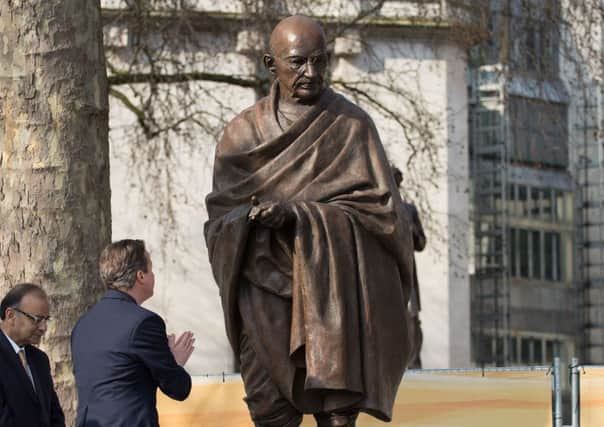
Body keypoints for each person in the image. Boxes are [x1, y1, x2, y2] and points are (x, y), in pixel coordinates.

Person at [205, 15, 415, 427]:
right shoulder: (242, 135)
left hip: (332, 294)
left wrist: (300, 215)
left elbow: (385, 216)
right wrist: (251, 218)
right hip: (265, 291)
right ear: (270, 63)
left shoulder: (352, 126)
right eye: (298, 63)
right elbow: (219, 220)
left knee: (337, 414)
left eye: (320, 61)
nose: (311, 73)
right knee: (269, 411)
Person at [71, 239, 195, 427]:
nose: (153, 275)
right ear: (141, 276)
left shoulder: (83, 324)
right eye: (151, 270)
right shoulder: (145, 323)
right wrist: (175, 363)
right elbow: (178, 388)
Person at [0, 283, 65, 427]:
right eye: (37, 319)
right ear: (10, 315)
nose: (44, 328)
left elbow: (54, 414)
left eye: (46, 320)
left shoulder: (40, 359)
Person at [392, 166, 426, 369]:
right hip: (386, 274)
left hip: (407, 272)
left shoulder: (408, 210)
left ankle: (414, 365)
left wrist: (413, 231)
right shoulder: (376, 208)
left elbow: (421, 243)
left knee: (412, 320)